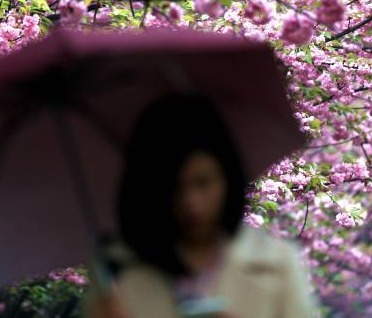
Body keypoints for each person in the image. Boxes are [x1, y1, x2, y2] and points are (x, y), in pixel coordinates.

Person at [83, 91, 320, 318]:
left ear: (228, 177)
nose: (191, 203)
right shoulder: (115, 272)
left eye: (203, 183)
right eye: (172, 187)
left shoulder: (278, 264)